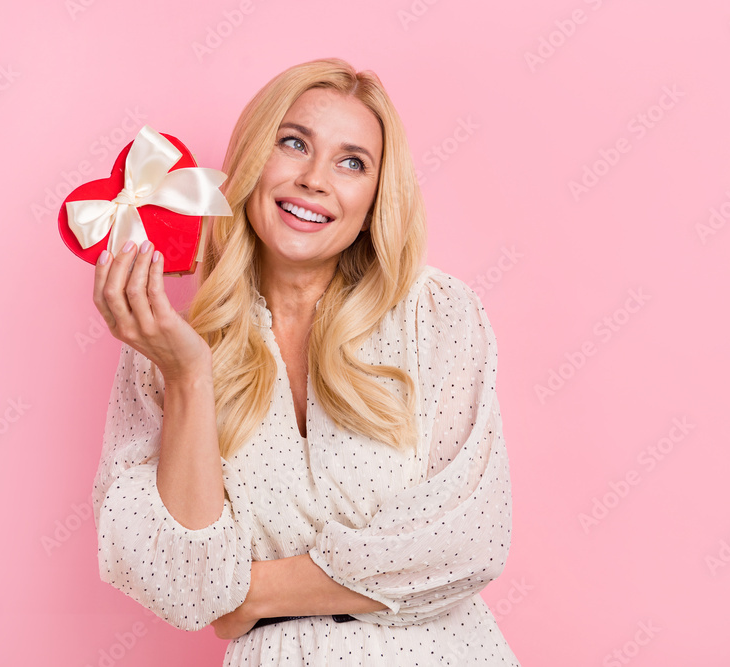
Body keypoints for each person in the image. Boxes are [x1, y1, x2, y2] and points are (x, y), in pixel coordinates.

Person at [90, 58, 521, 666]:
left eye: (352, 162)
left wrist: (249, 594)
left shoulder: (437, 314)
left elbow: (468, 542)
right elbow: (184, 587)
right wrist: (189, 379)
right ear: (249, 164)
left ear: (374, 198)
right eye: (293, 143)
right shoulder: (166, 355)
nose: (316, 179)